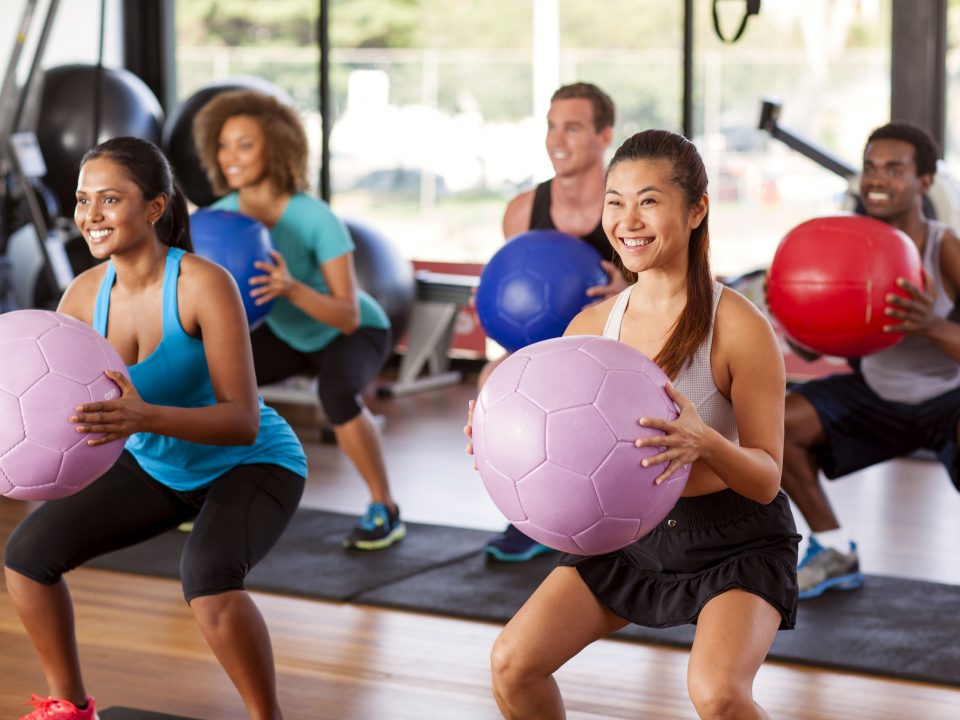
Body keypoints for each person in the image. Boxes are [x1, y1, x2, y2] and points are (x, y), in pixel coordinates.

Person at [466, 129, 799, 719]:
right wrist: (498, 437)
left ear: (696, 209)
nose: (627, 220)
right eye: (615, 201)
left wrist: (706, 443)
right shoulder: (590, 326)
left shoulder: (741, 327)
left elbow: (767, 479)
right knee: (513, 664)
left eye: (648, 200)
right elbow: (552, 444)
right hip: (629, 535)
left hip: (735, 537)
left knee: (719, 695)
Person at [4, 137, 307, 720]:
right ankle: (68, 705)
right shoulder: (84, 295)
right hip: (158, 464)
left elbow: (242, 421)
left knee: (209, 579)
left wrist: (143, 418)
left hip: (251, 463)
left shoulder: (203, 284)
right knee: (27, 557)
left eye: (110, 199)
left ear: (154, 207)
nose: (91, 216)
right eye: (83, 200)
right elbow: (48, 402)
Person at [192, 89, 405, 550]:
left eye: (245, 145)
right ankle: (203, 493)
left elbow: (347, 314)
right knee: (210, 384)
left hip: (353, 329)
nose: (231, 157)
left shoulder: (314, 218)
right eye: (224, 145)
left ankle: (384, 508)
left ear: (277, 147)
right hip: (288, 331)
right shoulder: (217, 219)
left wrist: (290, 287)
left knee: (337, 393)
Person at [781, 122, 960, 599]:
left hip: (948, 399)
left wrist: (932, 326)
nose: (877, 180)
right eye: (870, 167)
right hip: (877, 397)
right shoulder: (850, 242)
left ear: (925, 181)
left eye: (895, 170)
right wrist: (797, 328)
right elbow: (820, 349)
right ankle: (835, 550)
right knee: (775, 426)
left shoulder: (945, 249)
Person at [482, 82, 631, 562]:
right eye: (551, 127)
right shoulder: (523, 211)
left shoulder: (629, 206)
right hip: (545, 353)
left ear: (604, 135)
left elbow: (680, 290)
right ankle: (532, 514)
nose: (557, 139)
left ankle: (619, 514)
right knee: (490, 382)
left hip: (621, 352)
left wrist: (626, 292)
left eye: (573, 127)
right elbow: (513, 296)